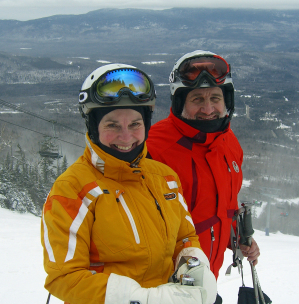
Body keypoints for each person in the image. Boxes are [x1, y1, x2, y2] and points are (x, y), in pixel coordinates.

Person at [41, 63, 218, 304]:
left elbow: (184, 237)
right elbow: (64, 277)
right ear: (93, 127)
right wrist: (142, 300)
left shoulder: (165, 178)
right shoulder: (72, 189)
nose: (126, 137)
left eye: (135, 124)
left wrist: (193, 266)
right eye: (112, 125)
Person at [147, 50, 260, 302]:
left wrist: (237, 237)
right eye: (197, 98)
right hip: (166, 287)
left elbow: (224, 205)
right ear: (180, 102)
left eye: (215, 98)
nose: (208, 108)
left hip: (208, 279)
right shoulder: (154, 149)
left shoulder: (229, 144)